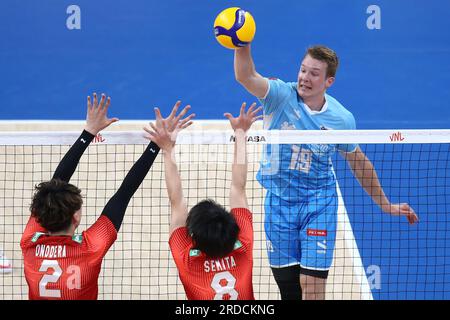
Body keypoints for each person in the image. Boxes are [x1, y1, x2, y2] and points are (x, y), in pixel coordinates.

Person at [233, 44, 419, 300]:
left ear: (328, 81)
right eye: (302, 70)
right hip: (278, 203)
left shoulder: (341, 120)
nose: (304, 78)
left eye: (314, 74)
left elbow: (358, 162)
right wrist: (243, 44)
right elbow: (246, 76)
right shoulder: (279, 96)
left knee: (311, 285)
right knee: (289, 290)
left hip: (317, 203)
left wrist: (385, 204)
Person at [20, 93, 193, 300]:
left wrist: (88, 132)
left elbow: (57, 185)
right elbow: (123, 194)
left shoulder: (30, 244)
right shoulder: (91, 248)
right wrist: (157, 145)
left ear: (40, 215)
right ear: (76, 217)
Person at [144, 102, 262, 300]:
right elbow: (238, 188)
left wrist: (167, 149)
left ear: (194, 241)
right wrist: (240, 133)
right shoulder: (243, 245)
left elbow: (177, 203)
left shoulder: (187, 261)